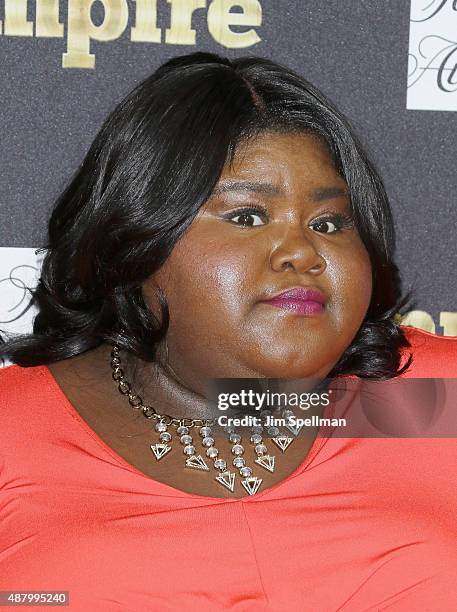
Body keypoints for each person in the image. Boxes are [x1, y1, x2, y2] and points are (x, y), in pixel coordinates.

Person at [1, 52, 456, 611]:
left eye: (329, 223)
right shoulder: (10, 434)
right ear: (136, 240)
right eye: (247, 217)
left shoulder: (435, 398)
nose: (302, 252)